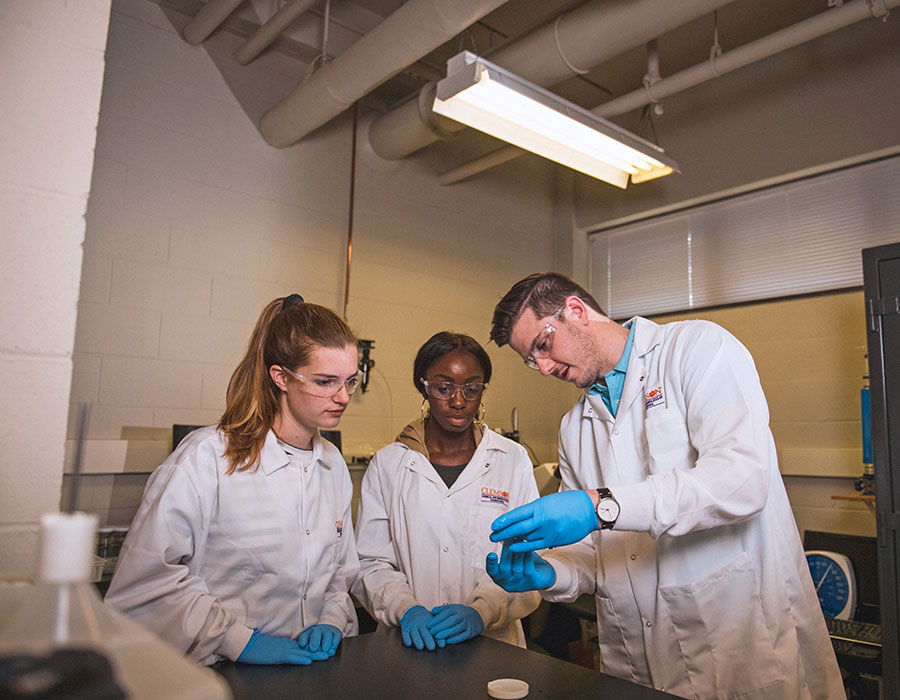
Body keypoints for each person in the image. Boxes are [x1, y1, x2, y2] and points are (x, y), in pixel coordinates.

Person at [484, 273, 843, 699]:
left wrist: (600, 505)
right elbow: (593, 550)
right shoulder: (574, 429)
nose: (543, 368)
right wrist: (552, 571)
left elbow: (742, 481)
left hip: (737, 647)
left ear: (576, 311)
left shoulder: (697, 350)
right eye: (531, 359)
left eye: (543, 345)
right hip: (636, 658)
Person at [105, 295, 361, 666]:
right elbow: (147, 583)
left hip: (310, 669)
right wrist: (240, 641)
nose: (342, 397)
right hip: (222, 670)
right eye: (326, 382)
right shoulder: (207, 457)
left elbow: (339, 573)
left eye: (350, 381)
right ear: (281, 377)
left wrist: (332, 620)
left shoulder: (332, 464)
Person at [353, 332, 541, 651]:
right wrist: (404, 608)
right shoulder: (389, 464)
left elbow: (531, 556)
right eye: (444, 388)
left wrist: (483, 611)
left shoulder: (511, 460)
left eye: (471, 389)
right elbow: (370, 561)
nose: (458, 401)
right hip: (410, 642)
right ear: (423, 385)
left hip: (494, 646)